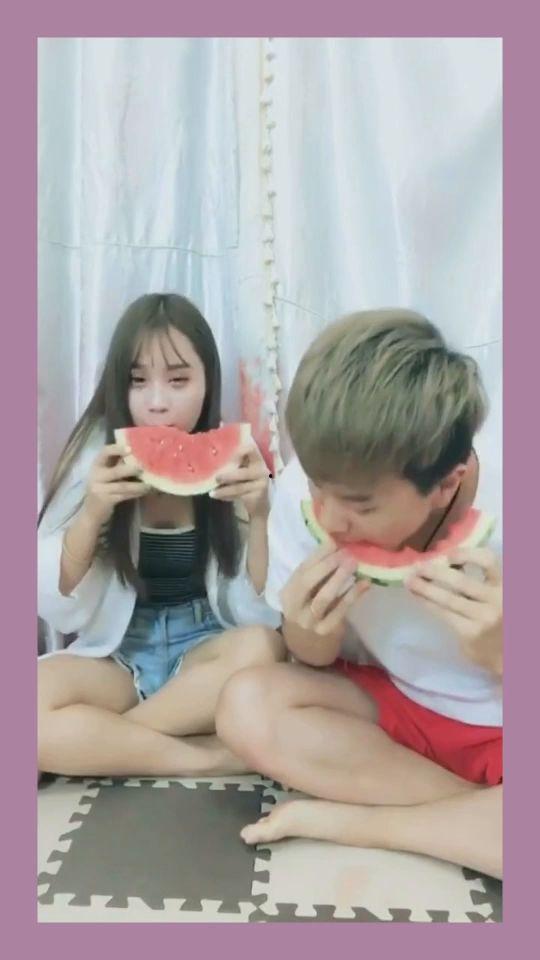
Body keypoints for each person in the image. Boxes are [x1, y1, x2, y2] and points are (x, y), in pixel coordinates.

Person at [217, 309, 503, 879]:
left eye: (361, 505)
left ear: (446, 482)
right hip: (396, 712)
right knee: (247, 705)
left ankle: (353, 822)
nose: (327, 518)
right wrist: (308, 631)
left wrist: (504, 651)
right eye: (318, 488)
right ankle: (481, 818)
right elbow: (312, 660)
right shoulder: (308, 489)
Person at [38, 293, 284, 778]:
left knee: (262, 648)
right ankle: (212, 757)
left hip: (206, 653)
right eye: (138, 381)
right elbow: (56, 604)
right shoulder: (94, 460)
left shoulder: (238, 461)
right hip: (120, 656)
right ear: (119, 386)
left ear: (207, 382)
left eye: (178, 380)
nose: (157, 402)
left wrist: (259, 515)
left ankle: (103, 743)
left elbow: (263, 611)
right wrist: (92, 513)